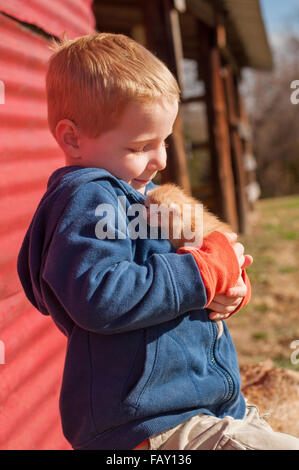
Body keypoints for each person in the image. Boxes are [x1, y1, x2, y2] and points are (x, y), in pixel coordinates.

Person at [17, 33, 299, 450]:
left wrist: (228, 287)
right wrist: (203, 273)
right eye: (140, 146)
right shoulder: (89, 196)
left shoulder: (135, 200)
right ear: (72, 138)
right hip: (154, 424)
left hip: (204, 407)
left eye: (164, 141)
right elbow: (99, 295)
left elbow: (185, 272)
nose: (162, 159)